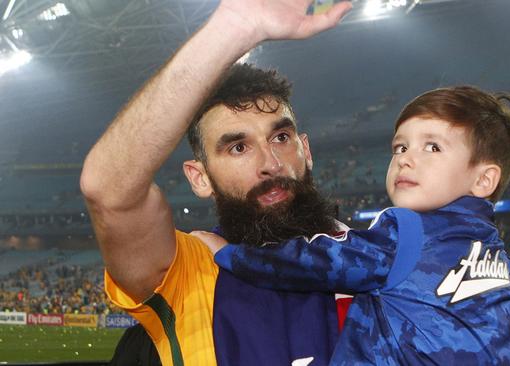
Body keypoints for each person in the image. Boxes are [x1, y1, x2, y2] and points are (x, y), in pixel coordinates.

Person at [80, 1, 353, 365]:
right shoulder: (188, 272)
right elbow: (109, 191)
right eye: (238, 147)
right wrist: (235, 28)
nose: (270, 163)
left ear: (306, 149)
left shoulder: (372, 259)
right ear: (200, 177)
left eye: (281, 138)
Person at [210, 87, 510, 364]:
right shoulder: (507, 271)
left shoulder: (407, 233)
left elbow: (317, 261)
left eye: (432, 147)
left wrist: (232, 255)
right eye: (400, 147)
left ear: (484, 179)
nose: (406, 159)